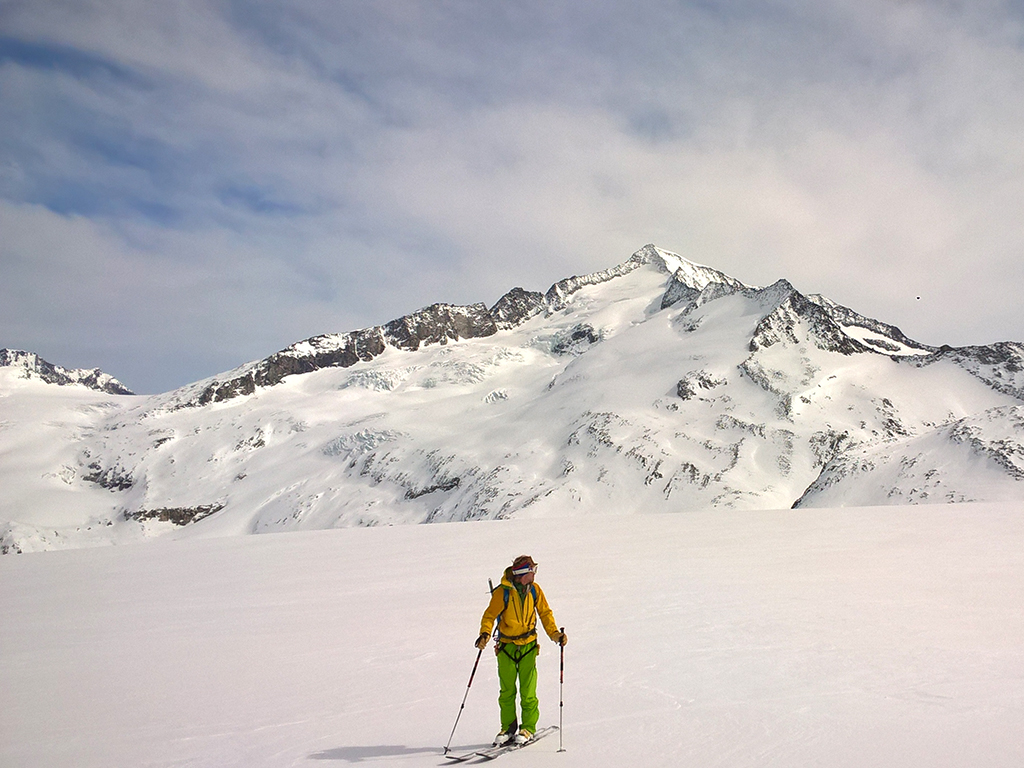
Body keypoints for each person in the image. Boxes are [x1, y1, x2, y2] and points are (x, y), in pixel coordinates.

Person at [476, 554, 567, 747]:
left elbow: (544, 613)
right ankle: (508, 728)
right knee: (507, 691)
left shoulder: (535, 590)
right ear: (522, 573)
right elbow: (490, 615)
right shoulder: (503, 592)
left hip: (528, 646)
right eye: (532, 570)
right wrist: (484, 634)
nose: (534, 573)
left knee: (528, 691)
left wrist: (555, 635)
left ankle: (528, 728)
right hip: (506, 647)